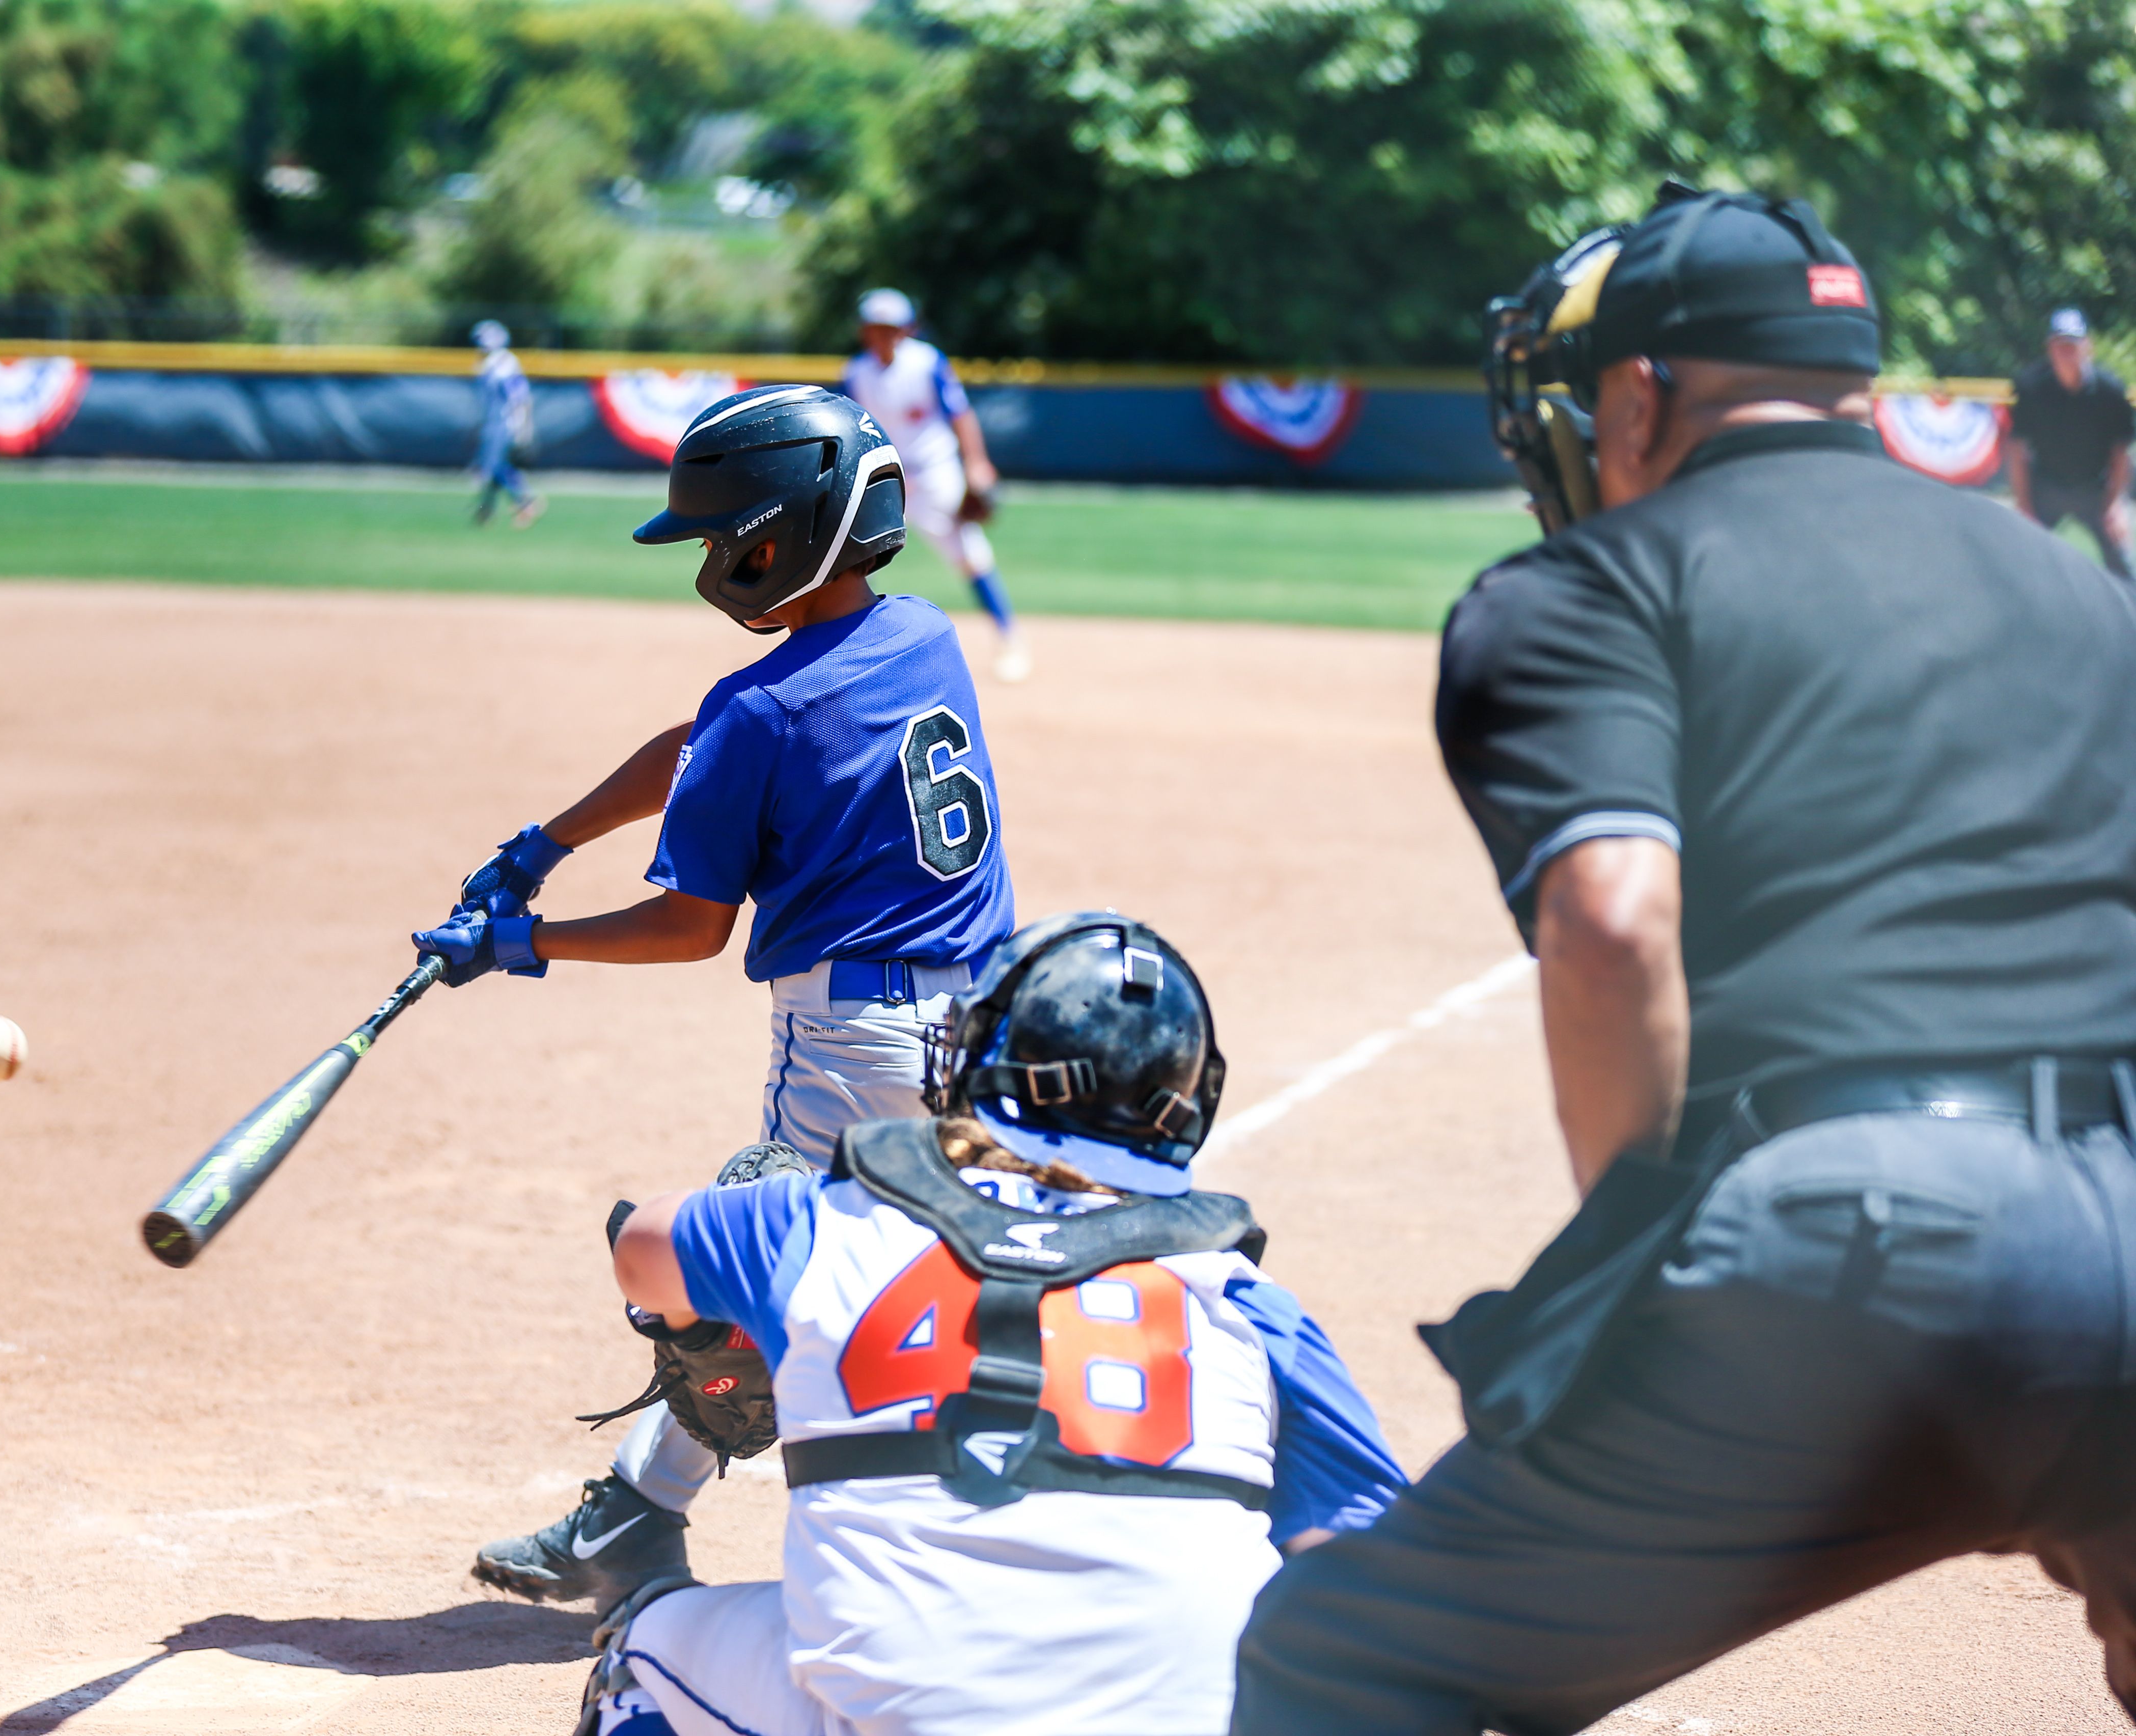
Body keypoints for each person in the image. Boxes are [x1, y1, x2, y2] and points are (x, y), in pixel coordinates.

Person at [1236, 186, 2136, 1731]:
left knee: (1344, 1653)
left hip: (1860, 1251)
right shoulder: (2078, 588)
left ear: (1639, 393)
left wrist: (1637, 1232)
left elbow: (1610, 915)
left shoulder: (1593, 584)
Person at [415, 384, 1017, 1611]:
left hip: (847, 1039)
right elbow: (701, 743)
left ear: (770, 540)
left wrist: (525, 943)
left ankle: (648, 1521)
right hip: (979, 1024)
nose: (705, 556)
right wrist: (547, 838)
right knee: (943, 1264)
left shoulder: (763, 709)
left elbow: (690, 928)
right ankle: (639, 1513)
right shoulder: (916, 635)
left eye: (713, 535)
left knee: (754, 1276)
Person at [579, 914, 1404, 1736]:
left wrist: (690, 1328)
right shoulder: (1240, 1295)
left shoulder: (827, 1219)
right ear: (1186, 1101)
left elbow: (640, 1246)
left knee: (642, 1648)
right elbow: (1368, 1570)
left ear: (976, 1058)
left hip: (911, 1711)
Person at [840, 289, 1029, 683]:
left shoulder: (927, 363)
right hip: (886, 478)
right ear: (865, 331)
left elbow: (960, 414)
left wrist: (976, 463)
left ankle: (1009, 640)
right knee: (854, 560)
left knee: (970, 556)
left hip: (935, 472)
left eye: (893, 328)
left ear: (908, 328)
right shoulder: (856, 372)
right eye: (878, 328)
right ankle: (850, 651)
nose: (886, 336)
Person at [2009, 308, 2133, 578]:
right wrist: (2024, 505)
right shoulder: (2032, 388)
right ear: (2049, 348)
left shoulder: (2109, 391)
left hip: (2094, 489)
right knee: (2019, 562)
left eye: (2072, 345)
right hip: (2046, 487)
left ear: (2088, 346)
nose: (2065, 352)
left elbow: (2121, 453)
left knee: (2123, 567)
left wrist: (2115, 504)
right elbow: (2017, 451)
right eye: (2059, 345)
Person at [471, 319, 544, 528]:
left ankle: (525, 500)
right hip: (494, 422)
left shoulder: (502, 362)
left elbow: (519, 397)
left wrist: (523, 425)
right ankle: (485, 511)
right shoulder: (491, 362)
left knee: (494, 467)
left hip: (504, 422)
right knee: (493, 469)